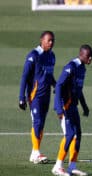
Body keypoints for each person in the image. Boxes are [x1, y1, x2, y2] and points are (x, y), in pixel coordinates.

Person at [51, 44, 92, 176]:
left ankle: (72, 167)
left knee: (78, 134)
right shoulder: (71, 67)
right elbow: (58, 85)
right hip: (65, 106)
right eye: (89, 56)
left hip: (73, 107)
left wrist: (84, 105)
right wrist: (58, 107)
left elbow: (78, 90)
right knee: (69, 134)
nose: (91, 59)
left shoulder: (82, 69)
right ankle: (57, 166)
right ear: (81, 54)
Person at [18, 31, 56, 164]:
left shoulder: (52, 56)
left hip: (46, 96)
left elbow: (49, 74)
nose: (51, 43)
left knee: (41, 124)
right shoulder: (34, 55)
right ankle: (36, 152)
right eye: (49, 40)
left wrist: (55, 85)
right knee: (37, 122)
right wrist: (21, 97)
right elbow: (24, 76)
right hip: (35, 96)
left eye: (53, 40)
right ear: (42, 40)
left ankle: (35, 153)